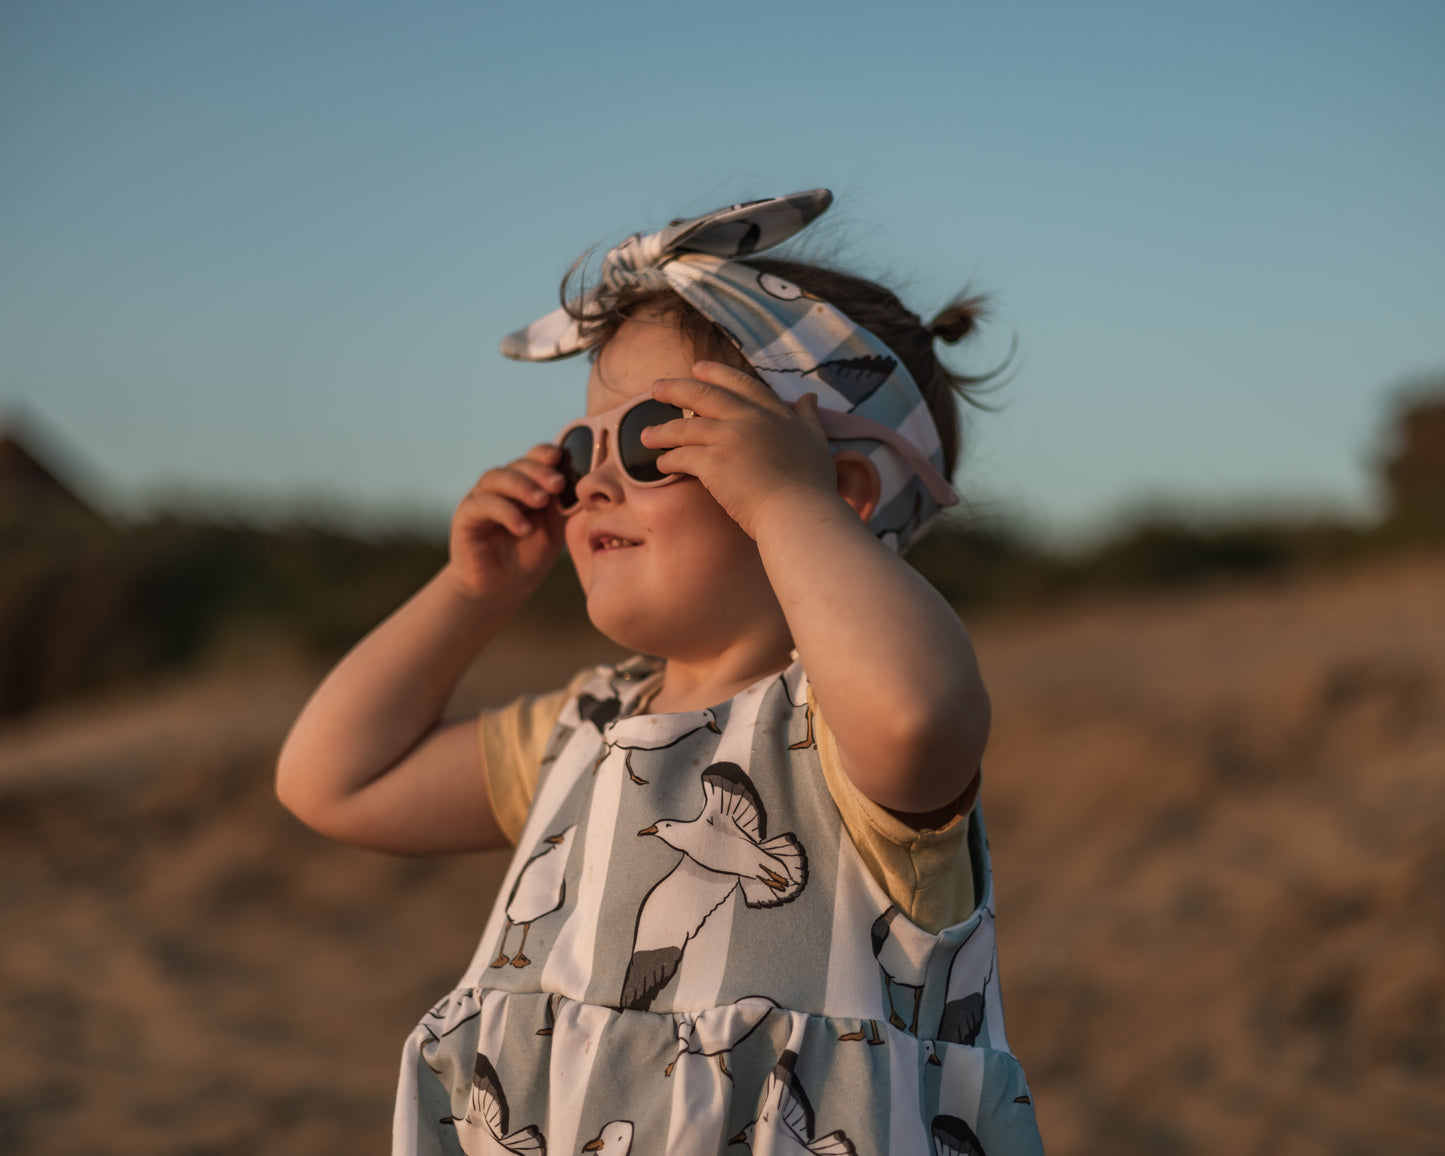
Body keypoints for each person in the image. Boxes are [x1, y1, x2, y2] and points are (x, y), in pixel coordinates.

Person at [276, 190, 1046, 1154]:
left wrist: (782, 503)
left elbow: (920, 714)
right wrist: (468, 595)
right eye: (576, 449)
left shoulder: (845, 734)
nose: (590, 479)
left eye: (650, 437)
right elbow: (332, 783)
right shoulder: (584, 727)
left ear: (839, 492)